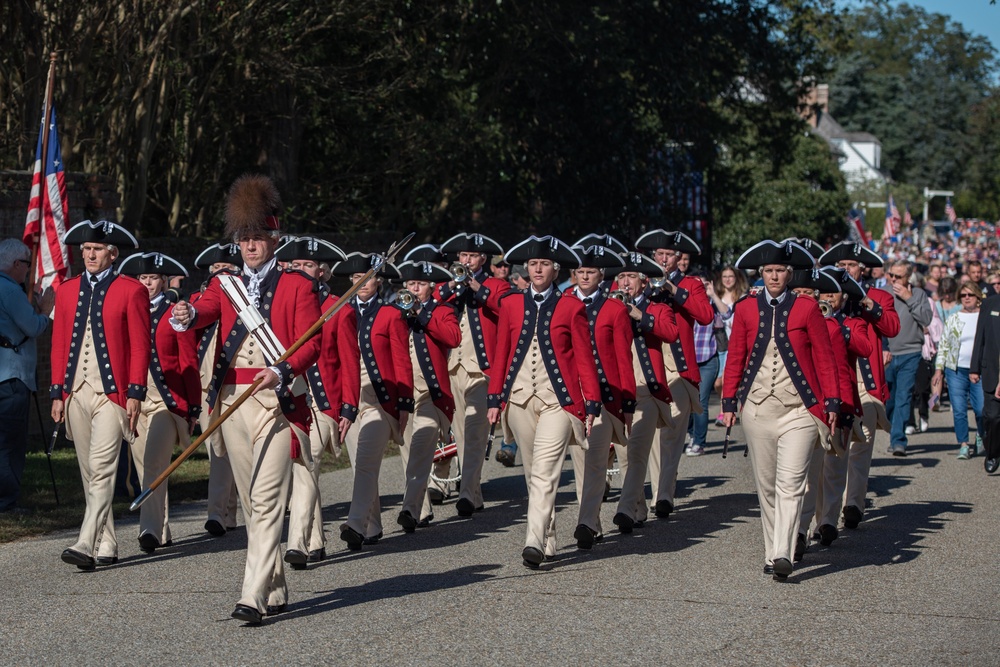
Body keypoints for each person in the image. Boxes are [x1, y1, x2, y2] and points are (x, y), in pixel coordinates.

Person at [171, 174, 322, 624]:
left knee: (269, 495)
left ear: (273, 239)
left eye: (257, 237)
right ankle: (274, 585)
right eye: (244, 238)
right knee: (254, 501)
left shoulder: (298, 286)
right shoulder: (226, 285)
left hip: (277, 400)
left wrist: (282, 370)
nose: (250, 245)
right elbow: (205, 312)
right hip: (232, 399)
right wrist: (187, 313)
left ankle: (251, 594)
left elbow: (311, 344)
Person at [721, 240, 838, 581]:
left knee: (791, 483)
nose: (774, 276)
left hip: (799, 409)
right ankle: (772, 549)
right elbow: (735, 359)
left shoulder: (807, 308)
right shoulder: (745, 308)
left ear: (789, 273)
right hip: (758, 409)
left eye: (780, 271)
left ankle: (783, 552)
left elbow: (824, 359)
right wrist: (729, 402)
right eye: (769, 271)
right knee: (767, 485)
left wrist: (830, 401)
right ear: (761, 273)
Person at [486, 236, 601, 567]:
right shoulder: (510, 304)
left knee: (546, 471)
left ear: (556, 269)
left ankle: (533, 540)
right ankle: (548, 536)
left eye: (545, 264)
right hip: (520, 399)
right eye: (533, 264)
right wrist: (495, 398)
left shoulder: (572, 307)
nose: (538, 268)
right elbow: (501, 354)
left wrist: (590, 403)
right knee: (532, 472)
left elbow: (584, 360)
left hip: (559, 401)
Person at [51, 220, 148, 570]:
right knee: (88, 471)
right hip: (76, 390)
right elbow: (59, 344)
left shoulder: (131, 289)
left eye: (97, 249)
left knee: (104, 467)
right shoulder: (65, 290)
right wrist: (58, 392)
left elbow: (140, 346)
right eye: (86, 249)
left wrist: (136, 391)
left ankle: (84, 541)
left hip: (113, 394)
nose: (90, 255)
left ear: (113, 253)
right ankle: (107, 541)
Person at [274, 237, 350, 568]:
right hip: (293, 397)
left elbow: (349, 361)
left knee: (308, 462)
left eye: (308, 266)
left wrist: (348, 407)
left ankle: (298, 542)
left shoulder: (339, 307)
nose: (301, 270)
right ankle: (315, 538)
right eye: (296, 266)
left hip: (325, 402)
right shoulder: (280, 302)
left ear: (321, 272)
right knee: (304, 468)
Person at [117, 252, 200, 553]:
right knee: (145, 467)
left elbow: (188, 360)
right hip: (136, 399)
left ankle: (148, 530)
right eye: (142, 277)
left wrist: (193, 406)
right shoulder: (128, 309)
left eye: (153, 278)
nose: (147, 282)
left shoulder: (174, 312)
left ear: (164, 281)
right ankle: (162, 527)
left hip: (167, 402)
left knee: (153, 461)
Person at [818, 242, 900, 528]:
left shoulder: (877, 295)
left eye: (850, 265)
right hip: (834, 378)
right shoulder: (824, 295)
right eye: (840, 266)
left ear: (862, 269)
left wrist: (866, 302)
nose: (845, 270)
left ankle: (853, 503)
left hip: (866, 380)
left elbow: (892, 328)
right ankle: (830, 507)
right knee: (834, 446)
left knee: (861, 445)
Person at [334, 253, 413, 549]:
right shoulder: (341, 313)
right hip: (351, 402)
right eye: (355, 279)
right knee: (361, 466)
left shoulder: (391, 314)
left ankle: (354, 525)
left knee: (366, 461)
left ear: (377, 280)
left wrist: (405, 404)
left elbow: (402, 361)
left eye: (366, 278)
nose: (361, 283)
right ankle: (373, 525)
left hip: (381, 401)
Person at [635, 229, 714, 519]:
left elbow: (706, 316)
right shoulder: (642, 280)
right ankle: (656, 491)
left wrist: (674, 290)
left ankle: (663, 495)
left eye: (668, 254)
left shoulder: (690, 284)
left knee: (671, 433)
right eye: (659, 254)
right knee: (651, 436)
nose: (663, 259)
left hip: (678, 368)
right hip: (647, 364)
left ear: (678, 258)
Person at [432, 233, 510, 515]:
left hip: (481, 369)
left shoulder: (496, 284)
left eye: (472, 256)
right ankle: (472, 493)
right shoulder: (448, 286)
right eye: (463, 256)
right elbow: (431, 299)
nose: (467, 260)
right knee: (457, 432)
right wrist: (454, 283)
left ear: (483, 259)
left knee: (475, 430)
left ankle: (466, 492)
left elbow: (505, 308)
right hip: (451, 366)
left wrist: (476, 286)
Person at [564, 244, 633, 549]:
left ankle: (586, 522)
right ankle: (592, 521)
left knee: (594, 460)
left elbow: (623, 359)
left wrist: (627, 403)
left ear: (602, 275)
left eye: (590, 271)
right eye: (580, 271)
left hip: (604, 397)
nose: (584, 276)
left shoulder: (615, 310)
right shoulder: (561, 304)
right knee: (579, 461)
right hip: (572, 395)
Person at [606, 252, 679, 533]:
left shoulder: (657, 307)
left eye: (631, 277)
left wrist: (638, 314)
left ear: (644, 281)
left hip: (647, 391)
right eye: (621, 277)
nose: (625, 282)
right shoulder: (608, 305)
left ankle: (624, 509)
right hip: (618, 388)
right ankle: (638, 507)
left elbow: (671, 333)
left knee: (636, 452)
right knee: (624, 454)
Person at [394, 261, 461, 532]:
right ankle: (421, 509)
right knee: (407, 450)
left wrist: (422, 313)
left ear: (431, 287)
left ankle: (409, 509)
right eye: (410, 284)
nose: (414, 288)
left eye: (419, 284)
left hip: (431, 392)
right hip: (402, 391)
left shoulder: (442, 310)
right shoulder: (395, 312)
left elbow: (453, 337)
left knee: (421, 447)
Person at [191, 242, 243, 537]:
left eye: (226, 269)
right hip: (204, 383)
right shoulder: (199, 300)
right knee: (217, 450)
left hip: (233, 381)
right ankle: (224, 512)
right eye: (216, 270)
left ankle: (220, 512)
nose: (220, 274)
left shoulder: (244, 299)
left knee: (230, 448)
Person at [0, 239, 53, 513]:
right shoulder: (10, 290)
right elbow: (32, 327)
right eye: (27, 264)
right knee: (9, 441)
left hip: (5, 373)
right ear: (17, 264)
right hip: (11, 375)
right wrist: (45, 311)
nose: (28, 270)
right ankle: (7, 502)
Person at [882, 260, 933, 456]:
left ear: (908, 277)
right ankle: (892, 427)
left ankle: (898, 440)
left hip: (910, 352)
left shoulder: (918, 294)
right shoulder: (883, 293)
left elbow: (926, 319)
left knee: (904, 397)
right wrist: (883, 346)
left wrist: (908, 298)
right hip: (887, 353)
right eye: (891, 275)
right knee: (890, 400)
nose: (893, 279)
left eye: (898, 276)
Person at [934, 282, 984, 460]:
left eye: (970, 295)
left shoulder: (984, 317)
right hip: (955, 370)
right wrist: (939, 370)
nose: (967, 298)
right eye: (963, 295)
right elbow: (944, 345)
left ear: (978, 297)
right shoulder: (954, 318)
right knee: (959, 409)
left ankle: (981, 434)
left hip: (980, 369)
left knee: (981, 409)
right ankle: (963, 444)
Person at [970, 285, 1000, 474]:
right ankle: (993, 452)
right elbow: (980, 336)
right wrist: (975, 368)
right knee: (992, 417)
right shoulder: (989, 304)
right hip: (991, 371)